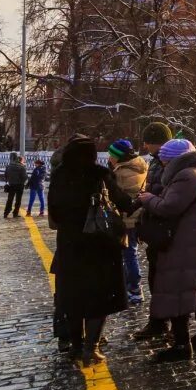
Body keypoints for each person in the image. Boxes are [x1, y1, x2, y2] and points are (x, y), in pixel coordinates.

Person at [48, 134, 135, 366]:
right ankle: (91, 348)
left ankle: (75, 347)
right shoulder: (99, 175)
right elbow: (123, 201)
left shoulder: (59, 176)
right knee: (99, 297)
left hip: (69, 246)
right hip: (99, 245)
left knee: (73, 298)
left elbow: (54, 214)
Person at [137, 139, 196, 362]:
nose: (163, 165)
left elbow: (169, 207)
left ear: (173, 160)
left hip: (185, 241)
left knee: (178, 289)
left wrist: (148, 199)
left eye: (165, 161)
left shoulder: (187, 176)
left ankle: (181, 344)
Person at [131, 121, 174, 342]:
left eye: (148, 142)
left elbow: (164, 195)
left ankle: (163, 322)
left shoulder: (167, 164)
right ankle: (159, 320)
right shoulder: (157, 162)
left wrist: (148, 201)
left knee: (163, 278)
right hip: (155, 225)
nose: (145, 146)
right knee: (156, 276)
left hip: (163, 228)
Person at [107, 139, 148, 305]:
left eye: (112, 155)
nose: (109, 157)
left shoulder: (123, 173)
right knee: (129, 252)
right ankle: (129, 287)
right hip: (135, 216)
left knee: (129, 253)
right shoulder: (137, 166)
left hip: (127, 218)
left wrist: (111, 175)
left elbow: (117, 195)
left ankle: (135, 289)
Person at [3, 153, 27, 218]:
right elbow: (24, 177)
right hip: (19, 185)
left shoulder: (9, 166)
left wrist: (8, 181)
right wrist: (22, 182)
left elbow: (5, 175)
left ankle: (6, 212)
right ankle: (15, 213)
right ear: (20, 160)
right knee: (18, 200)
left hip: (11, 185)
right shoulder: (22, 167)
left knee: (10, 199)